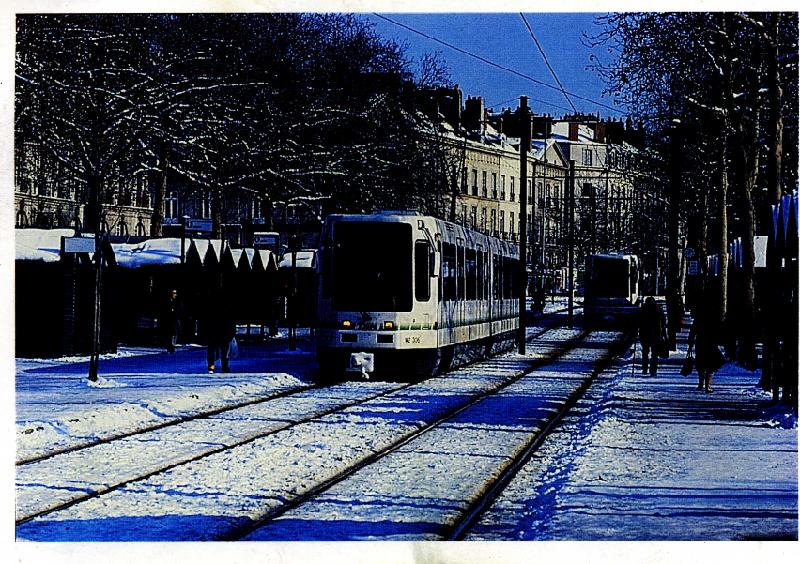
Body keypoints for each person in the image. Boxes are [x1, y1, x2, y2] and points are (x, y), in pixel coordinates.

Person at [688, 300, 722, 393]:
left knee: (701, 363)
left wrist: (690, 340)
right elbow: (718, 330)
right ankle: (708, 385)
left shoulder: (698, 318)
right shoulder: (714, 317)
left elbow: (693, 330)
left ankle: (701, 383)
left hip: (700, 342)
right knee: (711, 364)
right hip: (711, 343)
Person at [204, 287, 236, 374]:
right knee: (224, 351)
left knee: (212, 350)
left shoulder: (211, 306)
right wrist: (232, 332)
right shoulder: (228, 307)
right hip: (224, 331)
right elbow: (231, 320)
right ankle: (224, 367)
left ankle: (211, 367)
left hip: (214, 331)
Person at [639, 296, 667, 376]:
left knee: (645, 352)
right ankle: (653, 370)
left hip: (645, 334)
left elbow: (638, 321)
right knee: (654, 354)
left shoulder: (643, 309)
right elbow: (663, 323)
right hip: (656, 335)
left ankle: (644, 369)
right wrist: (664, 335)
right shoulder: (659, 310)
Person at [161, 288, 183, 353]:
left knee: (175, 333)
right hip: (170, 320)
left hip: (176, 319)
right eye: (173, 293)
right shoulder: (168, 301)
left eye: (175, 293)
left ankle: (173, 345)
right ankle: (170, 346)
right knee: (170, 333)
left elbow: (180, 310)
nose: (174, 294)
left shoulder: (178, 301)